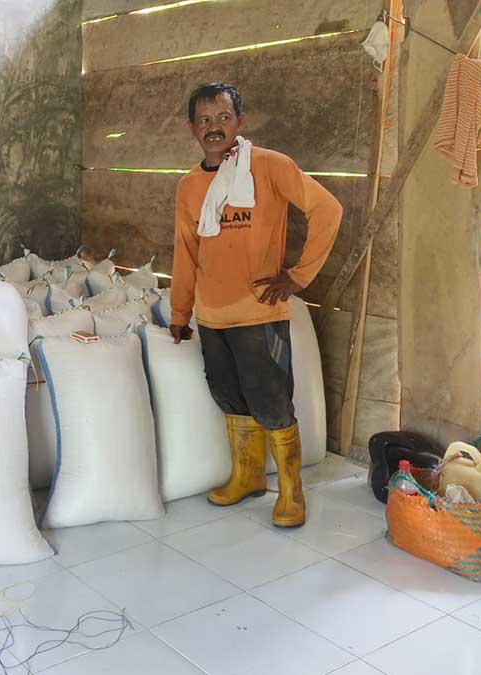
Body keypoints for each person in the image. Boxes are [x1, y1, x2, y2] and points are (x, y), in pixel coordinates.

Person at [169, 82, 342, 528]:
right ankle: (246, 477)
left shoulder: (269, 167)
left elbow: (328, 210)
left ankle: (291, 492)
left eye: (223, 118)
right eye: (204, 120)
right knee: (229, 398)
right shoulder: (189, 186)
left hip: (259, 313)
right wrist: (180, 313)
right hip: (212, 317)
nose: (214, 128)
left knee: (271, 401)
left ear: (239, 123)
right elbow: (185, 252)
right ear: (192, 128)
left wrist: (298, 276)